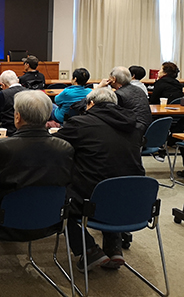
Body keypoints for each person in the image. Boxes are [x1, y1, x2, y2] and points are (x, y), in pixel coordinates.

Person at [0, 91, 73, 240]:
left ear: (17, 117)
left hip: (1, 218)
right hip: (48, 219)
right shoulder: (65, 148)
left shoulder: (1, 147)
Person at [54, 87, 145, 271]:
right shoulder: (134, 126)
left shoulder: (81, 123)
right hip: (133, 199)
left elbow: (55, 145)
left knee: (56, 201)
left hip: (93, 199)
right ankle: (113, 248)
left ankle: (89, 250)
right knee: (111, 187)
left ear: (91, 104)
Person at [98, 66, 151, 136]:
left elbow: (107, 112)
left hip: (133, 131)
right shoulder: (139, 89)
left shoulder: (119, 94)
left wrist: (99, 87)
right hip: (147, 129)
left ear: (114, 79)